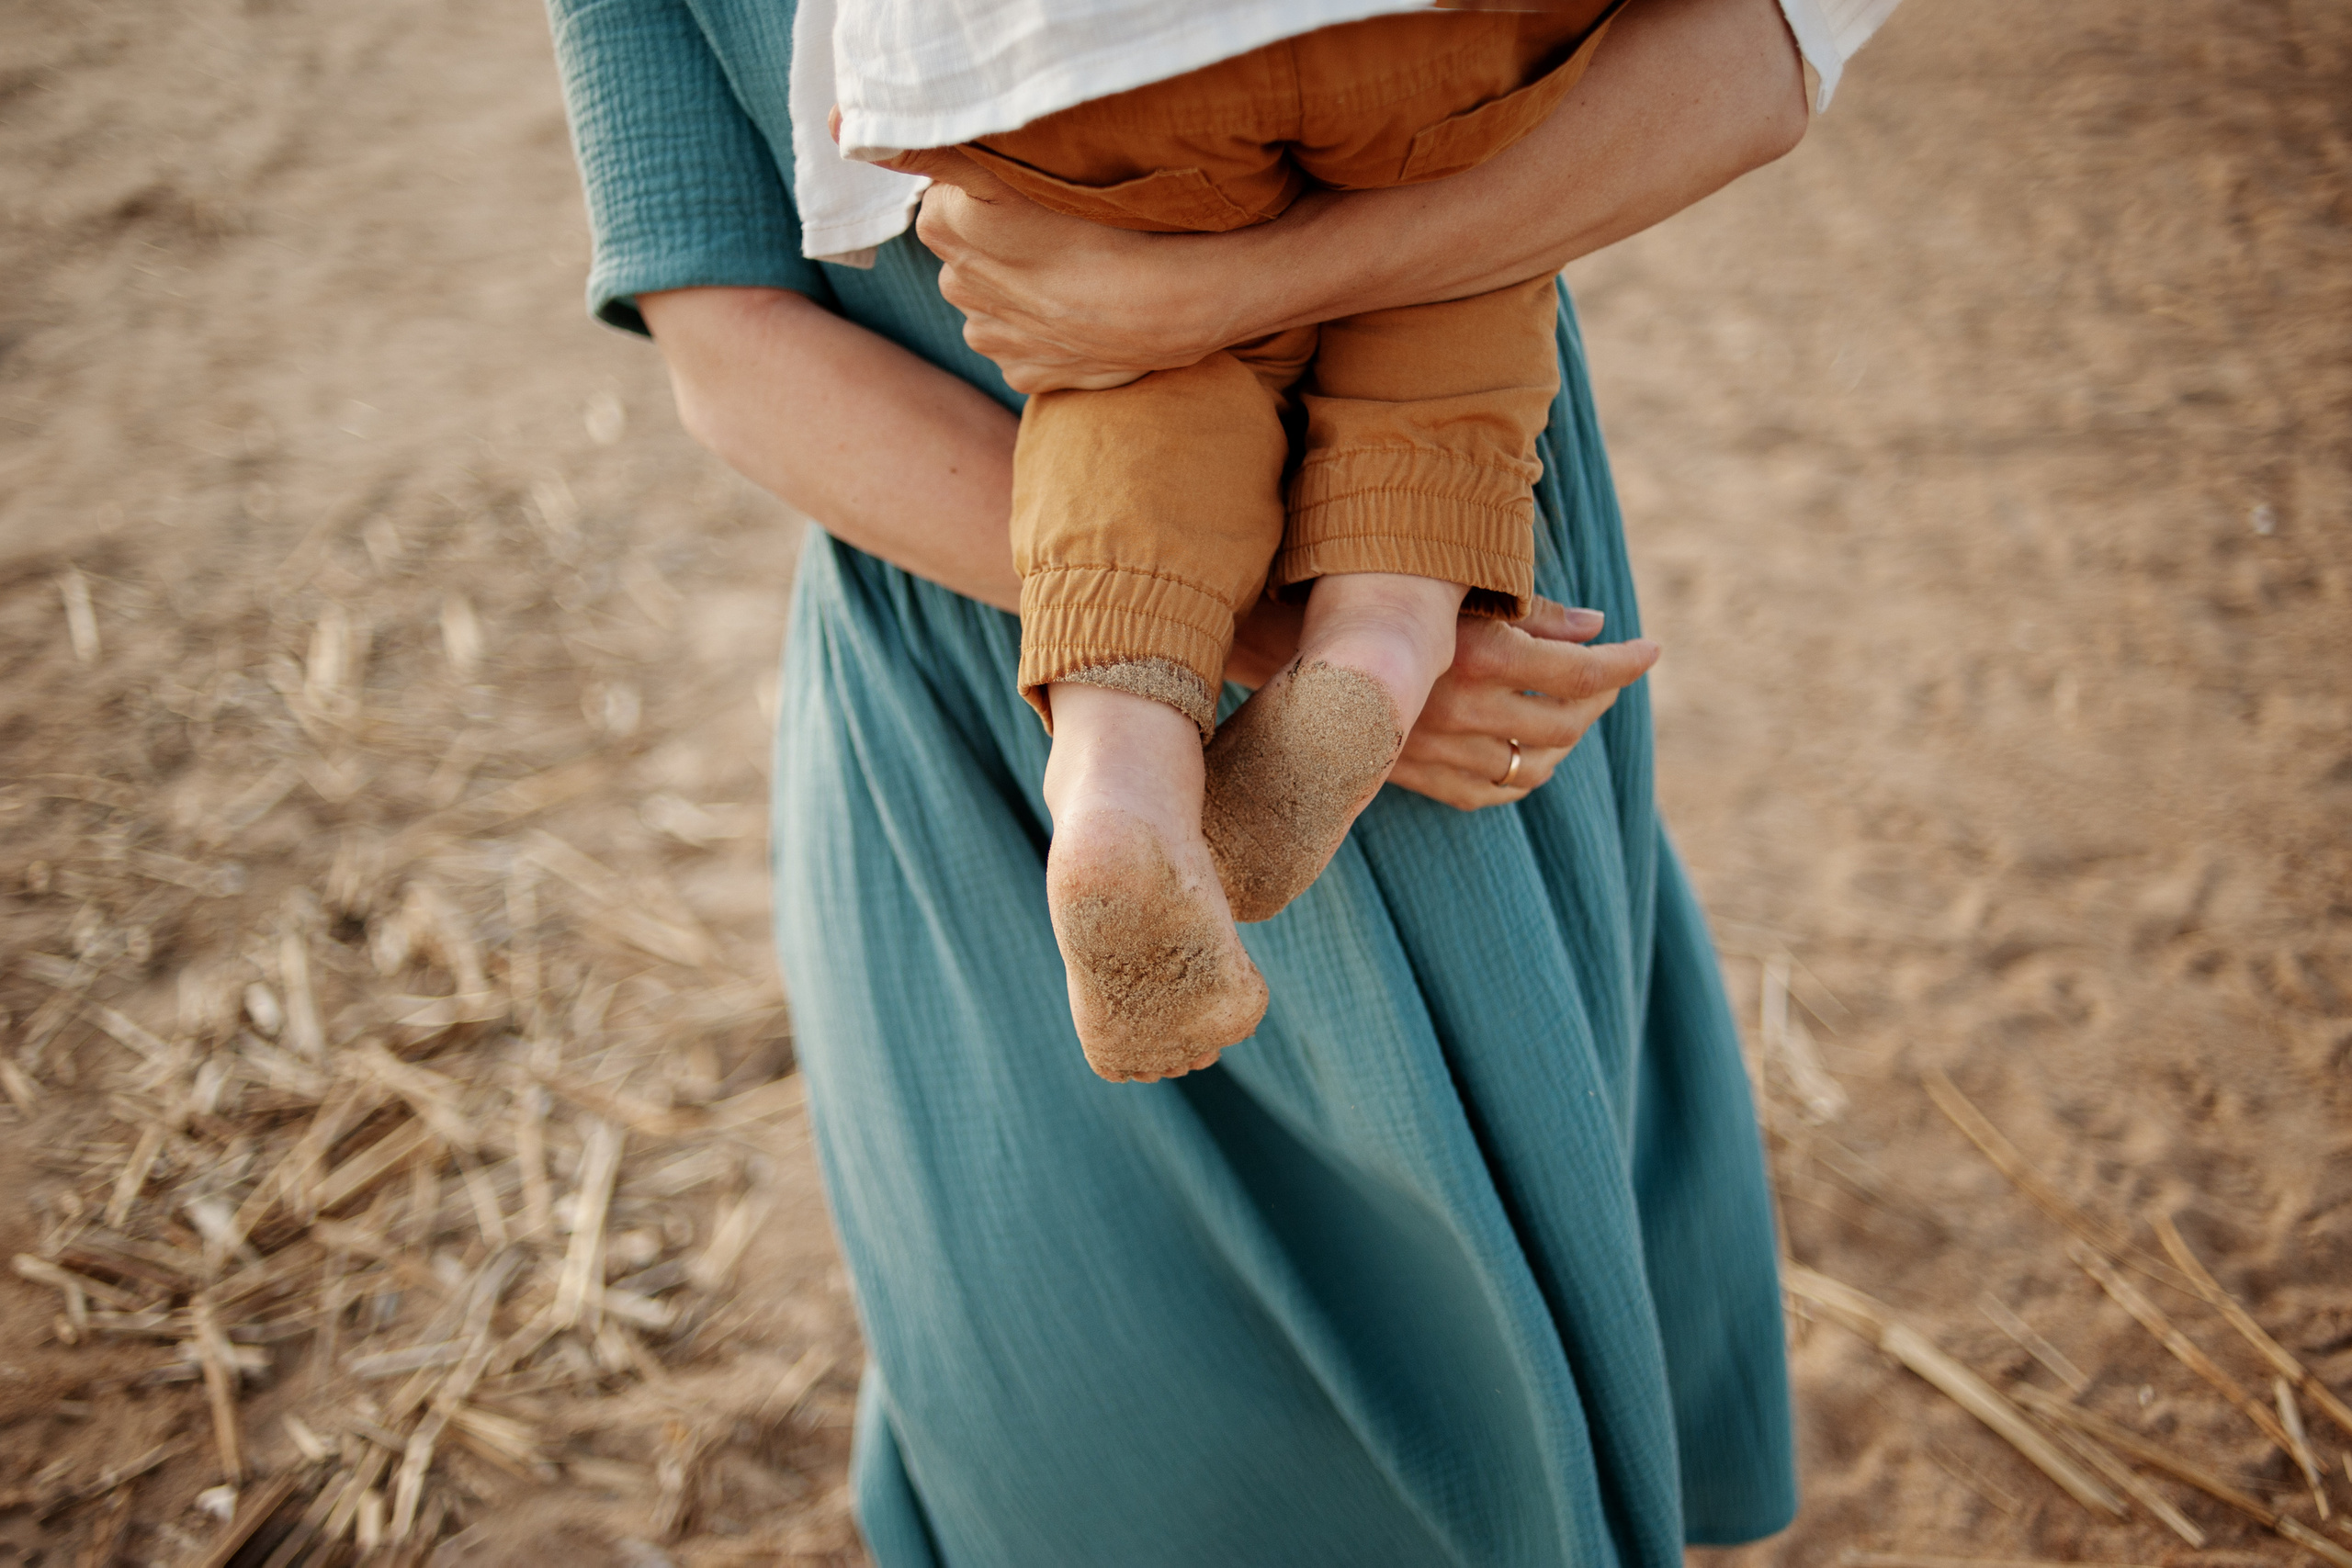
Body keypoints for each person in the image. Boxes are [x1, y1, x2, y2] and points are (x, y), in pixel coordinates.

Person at [545, 0, 1894, 1560]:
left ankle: (1122, 763)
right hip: (1423, 561)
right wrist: (1331, 617)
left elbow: (727, 339)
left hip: (1024, 633)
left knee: (1076, 1370)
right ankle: (1360, 656)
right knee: (1482, 1354)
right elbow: (1764, 46)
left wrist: (1187, 464)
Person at [820, 2, 1627, 1081]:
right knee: (1456, 272)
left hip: (1092, 54)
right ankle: (1380, 636)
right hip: (1418, 32)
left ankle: (1116, 759)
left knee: (1133, 375)